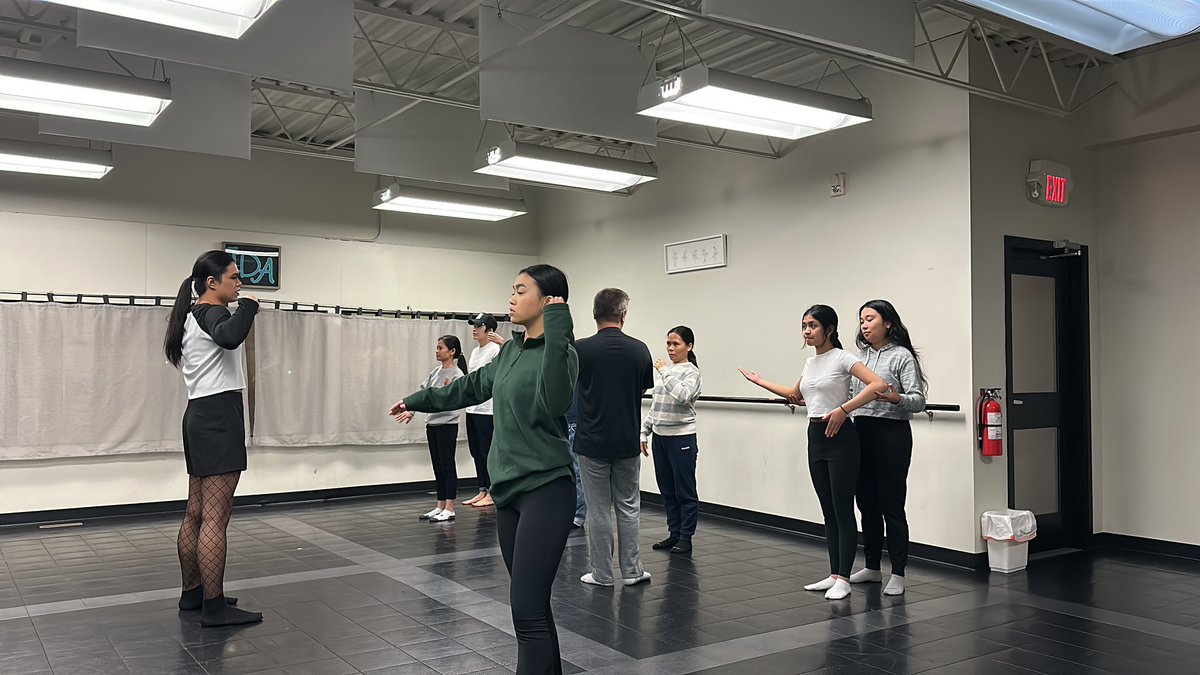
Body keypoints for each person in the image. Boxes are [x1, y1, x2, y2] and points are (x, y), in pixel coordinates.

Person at [390, 264, 577, 675]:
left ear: (549, 301)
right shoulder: (509, 352)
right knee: (533, 608)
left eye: (521, 290)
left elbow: (555, 400)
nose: (511, 298)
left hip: (547, 488)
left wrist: (560, 323)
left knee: (526, 612)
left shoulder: (561, 354)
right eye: (512, 289)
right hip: (508, 492)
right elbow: (468, 388)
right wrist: (417, 399)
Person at [739, 304, 886, 600]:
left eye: (813, 326)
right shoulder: (810, 364)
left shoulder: (843, 358)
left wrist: (843, 410)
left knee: (843, 509)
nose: (807, 331)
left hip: (841, 437)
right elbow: (796, 395)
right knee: (828, 510)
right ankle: (834, 574)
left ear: (829, 329)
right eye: (804, 326)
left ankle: (845, 578)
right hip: (816, 436)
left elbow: (877, 384)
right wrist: (760, 382)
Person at [163, 250, 263, 627]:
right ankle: (215, 606)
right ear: (212, 283)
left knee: (196, 512)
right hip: (218, 416)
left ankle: (193, 594)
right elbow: (230, 337)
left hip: (200, 416)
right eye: (235, 278)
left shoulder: (191, 315)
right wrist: (249, 308)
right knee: (214, 518)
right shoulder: (213, 313)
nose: (240, 284)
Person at [574, 288, 655, 588]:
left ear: (595, 314)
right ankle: (633, 572)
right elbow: (643, 387)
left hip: (591, 442)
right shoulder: (639, 349)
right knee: (628, 505)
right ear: (623, 314)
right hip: (626, 441)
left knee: (597, 509)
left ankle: (602, 574)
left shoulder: (581, 349)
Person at [848, 300, 927, 596]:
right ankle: (871, 566)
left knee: (891, 504)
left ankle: (898, 572)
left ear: (888, 323)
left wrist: (896, 399)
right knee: (865, 503)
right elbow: (851, 395)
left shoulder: (901, 356)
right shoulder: (860, 357)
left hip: (892, 434)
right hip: (862, 431)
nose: (864, 325)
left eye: (870, 319)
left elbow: (919, 401)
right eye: (862, 320)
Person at [642, 326, 702, 555]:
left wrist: (665, 372)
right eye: (668, 343)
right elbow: (656, 405)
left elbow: (683, 396)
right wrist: (644, 431)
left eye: (676, 344)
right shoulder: (665, 372)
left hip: (682, 438)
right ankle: (674, 533)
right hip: (661, 438)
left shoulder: (691, 372)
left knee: (684, 490)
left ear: (689, 346)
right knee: (667, 489)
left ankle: (686, 537)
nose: (670, 348)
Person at [416, 335, 467, 522]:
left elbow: (459, 399)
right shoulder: (435, 372)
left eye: (440, 348)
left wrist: (449, 391)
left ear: (452, 351)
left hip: (448, 425)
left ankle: (450, 507)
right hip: (433, 424)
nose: (437, 351)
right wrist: (411, 411)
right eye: (437, 348)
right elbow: (424, 395)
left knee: (447, 465)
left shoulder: (458, 375)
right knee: (437, 466)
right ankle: (440, 505)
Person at [463, 313, 504, 509]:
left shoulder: (495, 350)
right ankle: (482, 489)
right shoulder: (474, 352)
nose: (474, 329)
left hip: (488, 410)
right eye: (474, 325)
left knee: (488, 452)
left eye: (478, 326)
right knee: (476, 451)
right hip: (473, 408)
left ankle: (493, 491)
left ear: (489, 330)